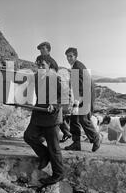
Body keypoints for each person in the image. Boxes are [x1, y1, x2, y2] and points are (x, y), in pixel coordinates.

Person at [24, 54, 64, 185]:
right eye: (38, 65)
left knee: (54, 147)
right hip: (38, 113)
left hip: (51, 116)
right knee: (29, 136)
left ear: (49, 66)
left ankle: (58, 174)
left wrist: (55, 104)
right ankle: (44, 155)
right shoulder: (35, 77)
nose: (40, 67)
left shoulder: (56, 79)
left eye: (43, 65)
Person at [64, 47, 101, 152]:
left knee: (83, 119)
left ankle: (96, 138)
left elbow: (83, 87)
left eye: (71, 56)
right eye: (67, 56)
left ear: (75, 56)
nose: (69, 58)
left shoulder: (77, 67)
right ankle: (76, 144)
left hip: (86, 95)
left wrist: (77, 102)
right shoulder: (76, 66)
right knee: (74, 118)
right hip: (82, 95)